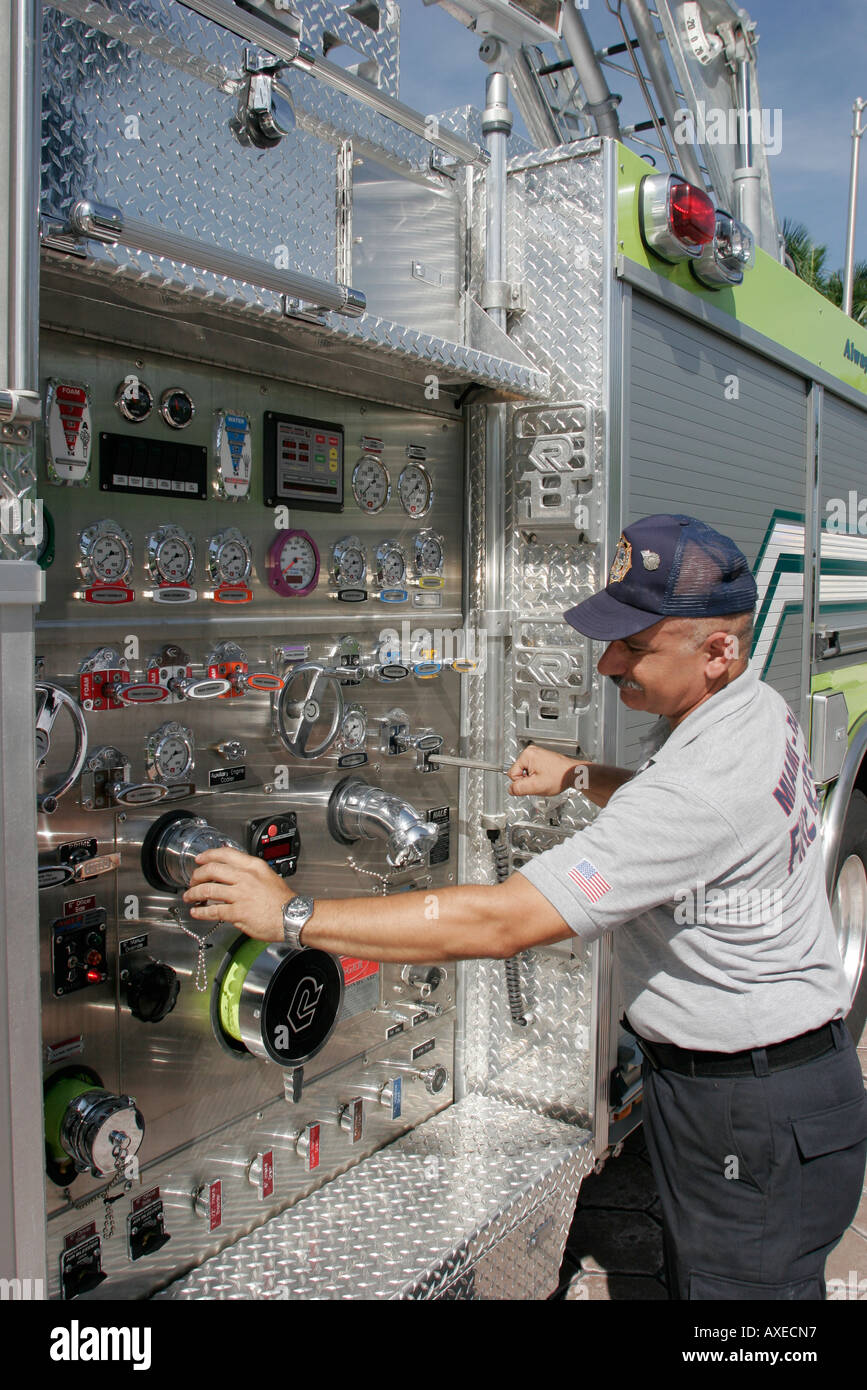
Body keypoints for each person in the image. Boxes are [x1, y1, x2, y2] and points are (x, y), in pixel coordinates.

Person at [185, 513, 867, 1301]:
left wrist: (293, 916)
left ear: (718, 651)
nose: (609, 663)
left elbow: (502, 920)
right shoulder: (752, 712)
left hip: (750, 1120)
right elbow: (680, 814)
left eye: (635, 647)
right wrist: (579, 775)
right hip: (764, 1092)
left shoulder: (698, 789)